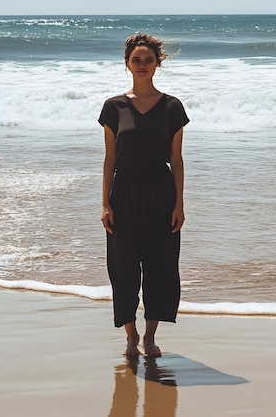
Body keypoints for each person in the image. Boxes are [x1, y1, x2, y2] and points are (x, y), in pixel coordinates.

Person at [98, 33, 189, 358]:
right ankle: (131, 336)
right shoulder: (113, 107)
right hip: (123, 194)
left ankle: (150, 336)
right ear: (127, 63)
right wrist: (105, 202)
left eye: (148, 59)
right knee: (122, 269)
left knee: (160, 268)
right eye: (136, 59)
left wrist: (179, 203)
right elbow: (110, 158)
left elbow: (176, 159)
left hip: (160, 193)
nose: (142, 65)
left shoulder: (172, 107)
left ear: (157, 64)